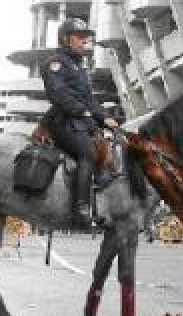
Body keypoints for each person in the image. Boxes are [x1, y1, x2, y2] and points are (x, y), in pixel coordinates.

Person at [40, 17, 120, 230]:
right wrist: (82, 111)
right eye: (79, 37)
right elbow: (58, 93)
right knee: (89, 154)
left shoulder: (78, 66)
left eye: (86, 37)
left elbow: (89, 99)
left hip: (81, 121)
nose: (84, 41)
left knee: (110, 150)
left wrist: (105, 118)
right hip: (62, 121)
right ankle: (81, 209)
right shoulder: (55, 63)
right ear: (65, 39)